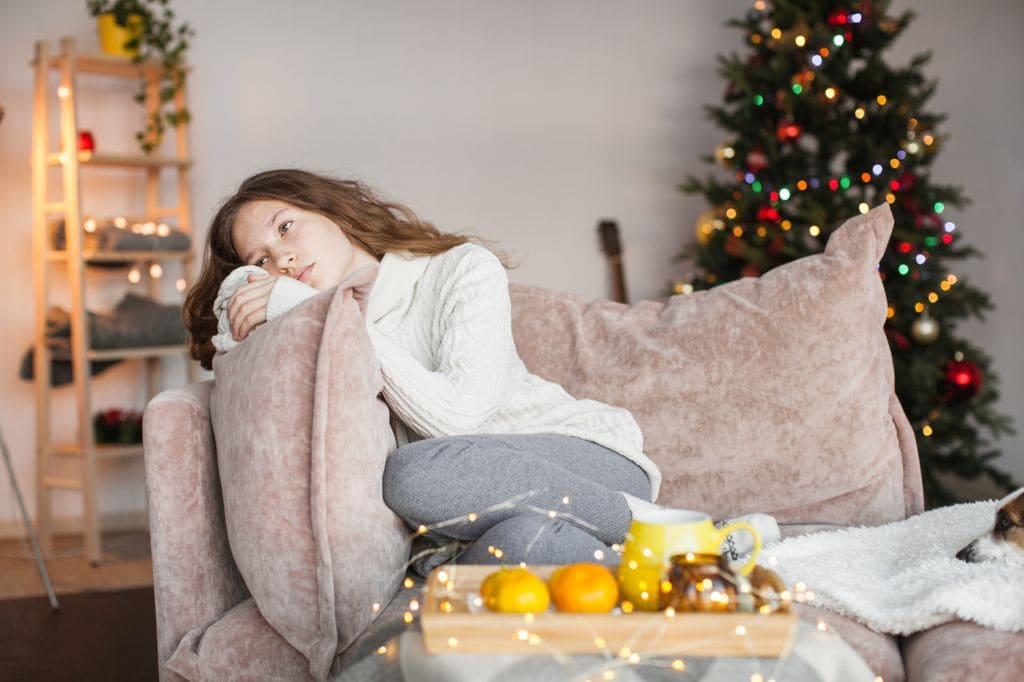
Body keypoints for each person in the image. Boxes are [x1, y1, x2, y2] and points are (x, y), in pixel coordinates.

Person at [184, 168, 775, 576]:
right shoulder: (306, 322)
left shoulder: (460, 269)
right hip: (483, 507)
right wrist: (271, 294)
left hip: (586, 458)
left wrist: (325, 316)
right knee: (518, 550)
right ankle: (681, 566)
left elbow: (456, 421)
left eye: (286, 227)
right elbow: (225, 328)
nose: (280, 258)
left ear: (333, 211)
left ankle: (657, 526)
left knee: (412, 476)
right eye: (260, 260)